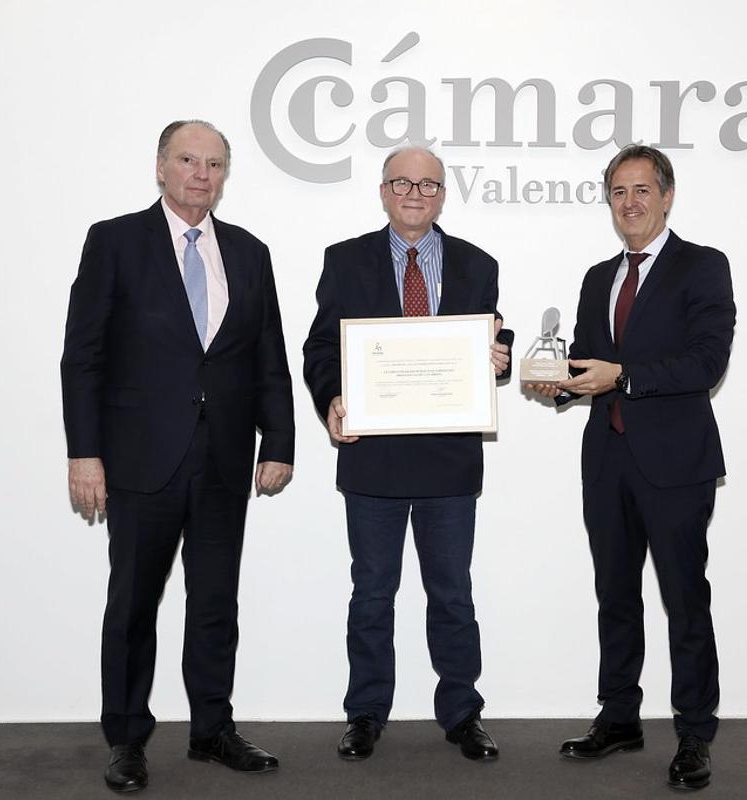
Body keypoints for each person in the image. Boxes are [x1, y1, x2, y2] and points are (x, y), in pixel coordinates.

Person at [61, 120, 295, 793]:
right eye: (188, 160)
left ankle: (212, 730)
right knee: (134, 605)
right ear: (160, 166)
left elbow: (268, 355)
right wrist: (85, 454)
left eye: (214, 164)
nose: (201, 174)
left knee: (216, 603)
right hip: (140, 460)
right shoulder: (115, 241)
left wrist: (278, 441)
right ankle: (126, 739)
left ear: (225, 175)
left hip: (224, 459)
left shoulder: (248, 252)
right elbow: (83, 356)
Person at [527, 145, 735, 791]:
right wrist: (556, 384)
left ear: (667, 196)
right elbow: (589, 362)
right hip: (608, 462)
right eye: (618, 192)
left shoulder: (703, 266)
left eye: (642, 190)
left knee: (684, 600)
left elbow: (707, 363)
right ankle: (619, 717)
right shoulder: (599, 278)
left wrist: (624, 376)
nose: (630, 203)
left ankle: (694, 734)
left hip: (676, 464)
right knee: (615, 596)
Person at [303, 146, 513, 762]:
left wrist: (499, 358)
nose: (414, 194)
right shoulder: (344, 260)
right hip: (372, 461)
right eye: (402, 183)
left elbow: (490, 343)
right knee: (372, 595)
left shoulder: (478, 263)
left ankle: (463, 713)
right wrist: (332, 398)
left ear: (443, 195)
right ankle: (365, 714)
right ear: (383, 191)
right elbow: (321, 348)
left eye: (427, 185)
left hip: (449, 462)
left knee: (452, 595)